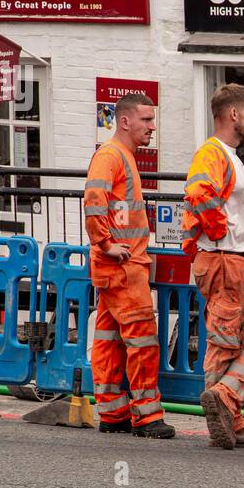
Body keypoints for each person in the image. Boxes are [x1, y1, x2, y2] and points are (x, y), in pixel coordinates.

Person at [180, 83, 244, 450]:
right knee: (224, 344)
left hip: (239, 260)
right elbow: (199, 194)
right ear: (233, 114)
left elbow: (230, 212)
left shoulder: (228, 156)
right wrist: (222, 233)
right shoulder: (212, 153)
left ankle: (225, 399)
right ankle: (228, 419)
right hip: (226, 261)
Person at [83, 92, 174, 438]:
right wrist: (106, 243)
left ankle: (113, 411)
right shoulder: (112, 156)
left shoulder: (118, 156)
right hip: (123, 266)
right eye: (146, 120)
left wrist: (106, 245)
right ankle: (147, 416)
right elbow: (94, 200)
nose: (152, 127)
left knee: (108, 338)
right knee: (142, 339)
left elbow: (105, 204)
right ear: (124, 121)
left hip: (116, 267)